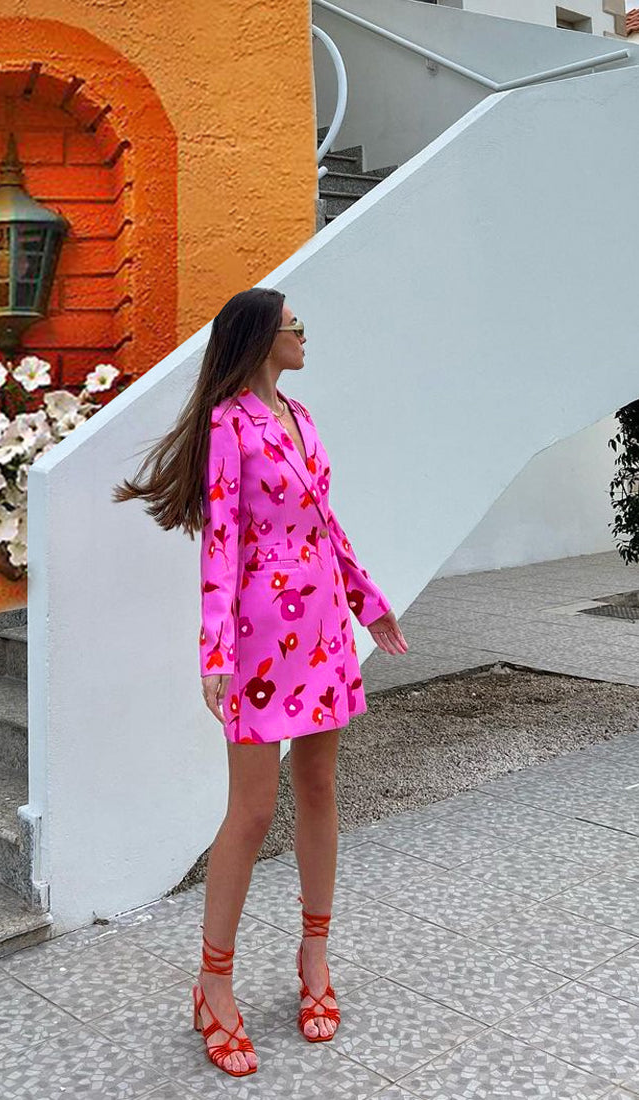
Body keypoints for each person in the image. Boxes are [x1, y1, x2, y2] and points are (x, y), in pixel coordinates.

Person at [112, 286, 408, 1077]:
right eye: (293, 326)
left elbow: (326, 525)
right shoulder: (226, 426)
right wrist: (214, 652)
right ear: (259, 339)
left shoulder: (302, 418)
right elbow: (222, 542)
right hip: (259, 637)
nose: (305, 335)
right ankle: (213, 983)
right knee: (250, 809)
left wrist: (368, 602)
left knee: (319, 787)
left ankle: (315, 956)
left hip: (324, 629)